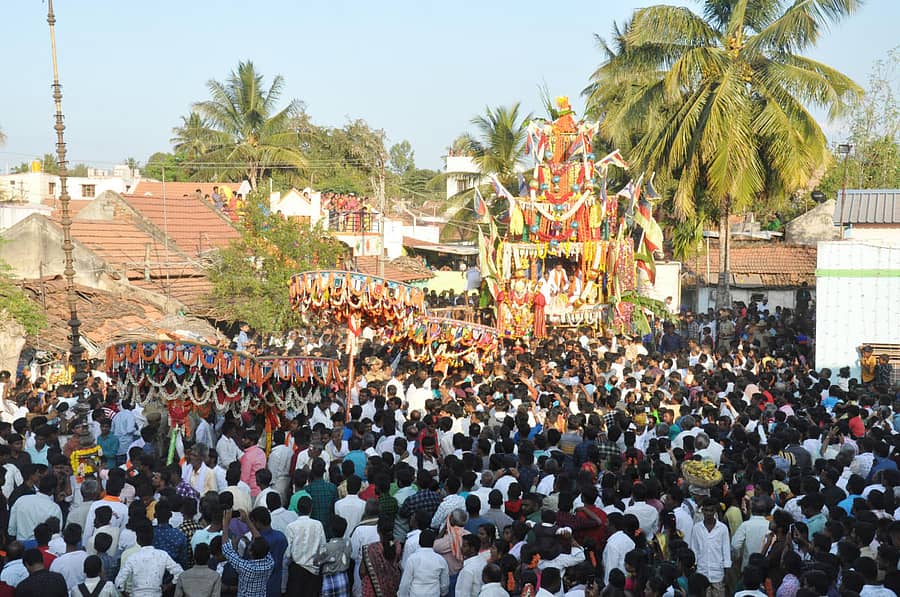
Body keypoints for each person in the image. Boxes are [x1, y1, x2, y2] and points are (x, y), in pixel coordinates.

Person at [115, 521, 183, 597]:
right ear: (153, 539)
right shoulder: (162, 555)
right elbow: (179, 572)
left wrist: (125, 594)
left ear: (138, 540)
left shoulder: (132, 558)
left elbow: (118, 582)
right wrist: (168, 586)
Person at [220, 507, 275, 597]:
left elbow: (227, 551)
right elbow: (260, 540)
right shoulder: (270, 562)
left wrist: (226, 524)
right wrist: (247, 521)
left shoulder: (247, 568)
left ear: (251, 552)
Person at [285, 495, 326, 597]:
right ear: (311, 509)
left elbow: (287, 553)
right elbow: (323, 549)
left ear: (298, 509)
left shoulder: (291, 527)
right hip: (313, 570)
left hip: (296, 570)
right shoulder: (318, 525)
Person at [689, 499, 731, 597]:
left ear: (715, 511)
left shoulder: (722, 528)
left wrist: (727, 572)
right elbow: (694, 549)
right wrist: (694, 568)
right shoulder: (697, 528)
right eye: (706, 510)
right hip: (702, 572)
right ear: (702, 511)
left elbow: (726, 550)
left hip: (718, 574)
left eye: (711, 510)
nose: (708, 513)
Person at [8, 473, 62, 541]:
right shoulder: (54, 508)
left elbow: (11, 529)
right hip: (43, 546)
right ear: (53, 489)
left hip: (21, 545)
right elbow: (56, 535)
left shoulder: (21, 500)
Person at [398, 528, 449, 597]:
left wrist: (402, 595)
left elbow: (405, 583)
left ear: (419, 542)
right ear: (433, 542)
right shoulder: (441, 560)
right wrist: (442, 593)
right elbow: (445, 584)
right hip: (434, 594)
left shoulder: (412, 559)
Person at [359, 515, 402, 597]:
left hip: (372, 591)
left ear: (378, 530)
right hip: (392, 590)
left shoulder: (370, 549)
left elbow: (362, 572)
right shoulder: (397, 545)